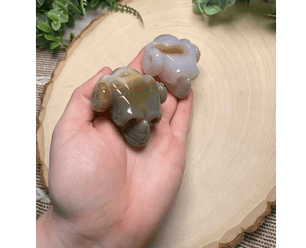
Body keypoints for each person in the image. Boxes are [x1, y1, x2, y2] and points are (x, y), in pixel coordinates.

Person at [36, 49, 194, 247]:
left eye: (153, 120)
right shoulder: (112, 87)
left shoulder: (148, 90)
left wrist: (70, 235)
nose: (143, 130)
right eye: (133, 120)